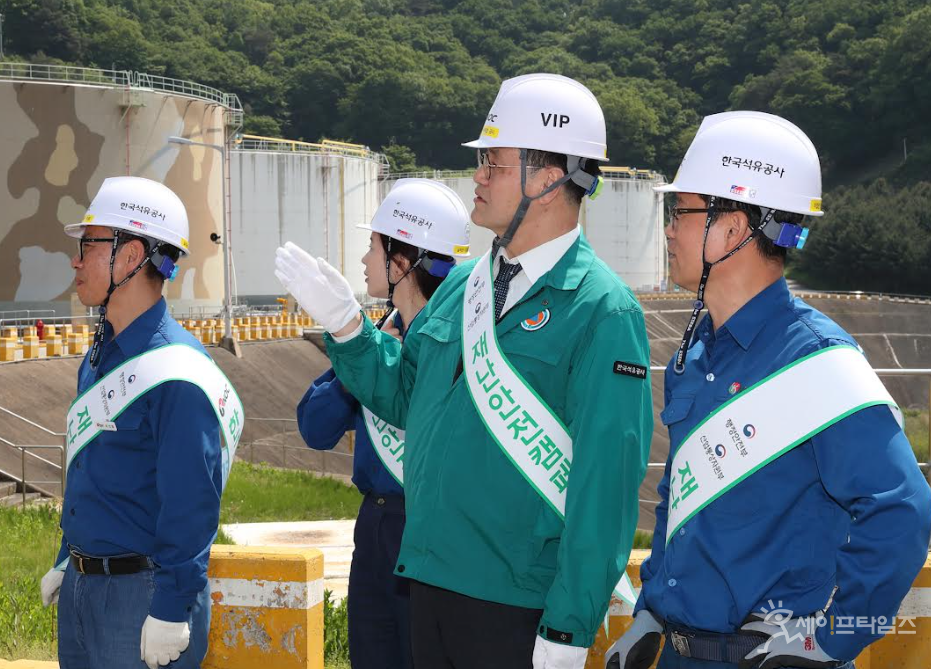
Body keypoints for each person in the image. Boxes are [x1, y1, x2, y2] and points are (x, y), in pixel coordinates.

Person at [275, 73, 653, 669]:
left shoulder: (602, 311)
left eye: (494, 164)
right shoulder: (462, 289)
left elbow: (605, 488)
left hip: (517, 603)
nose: (476, 177)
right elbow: (404, 398)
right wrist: (349, 329)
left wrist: (570, 624)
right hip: (429, 580)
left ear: (549, 178)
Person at [605, 111, 931, 669]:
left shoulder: (816, 362)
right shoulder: (696, 353)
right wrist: (651, 610)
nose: (667, 230)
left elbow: (903, 515)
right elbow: (680, 499)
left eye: (679, 212)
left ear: (732, 229)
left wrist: (831, 642)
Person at [40, 176, 244, 669]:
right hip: (84, 588)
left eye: (89, 245)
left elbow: (192, 503)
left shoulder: (177, 372)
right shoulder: (99, 357)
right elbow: (92, 474)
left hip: (143, 596)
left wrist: (172, 610)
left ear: (130, 257)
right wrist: (68, 557)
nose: (76, 259)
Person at [294, 178, 471, 669]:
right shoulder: (371, 341)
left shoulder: (461, 347)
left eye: (373, 246)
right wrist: (363, 359)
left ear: (401, 262)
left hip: (431, 528)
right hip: (374, 526)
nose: (364, 260)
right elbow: (315, 427)